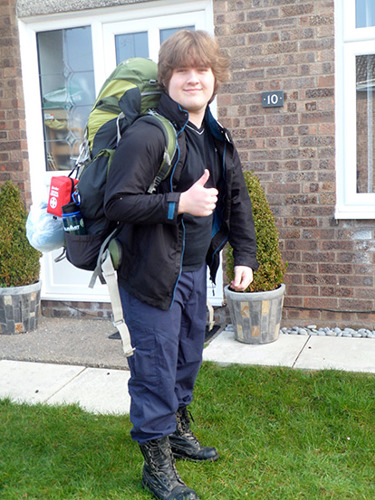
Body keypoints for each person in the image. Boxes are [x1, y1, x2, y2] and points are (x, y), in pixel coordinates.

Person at [104, 30, 259, 500]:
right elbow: (117, 203)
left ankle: (175, 430)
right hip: (151, 277)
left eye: (202, 70)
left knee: (187, 358)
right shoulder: (150, 133)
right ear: (167, 78)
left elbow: (236, 196)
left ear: (215, 78)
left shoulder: (212, 133)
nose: (193, 78)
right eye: (182, 71)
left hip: (194, 272)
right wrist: (179, 203)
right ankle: (156, 467)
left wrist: (245, 254)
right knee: (154, 369)